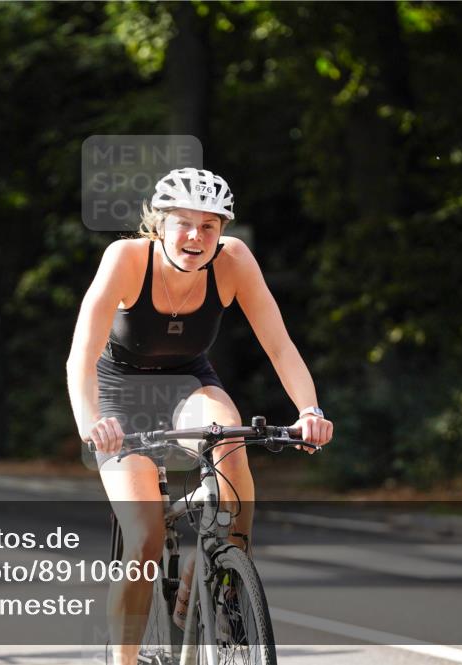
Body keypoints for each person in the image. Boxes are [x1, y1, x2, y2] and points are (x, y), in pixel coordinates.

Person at [66, 168, 334, 665]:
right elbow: (81, 354)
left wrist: (309, 409)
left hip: (190, 383)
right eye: (183, 223)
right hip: (121, 395)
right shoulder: (125, 259)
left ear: (223, 230)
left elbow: (279, 345)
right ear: (158, 225)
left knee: (230, 450)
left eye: (209, 225)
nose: (196, 236)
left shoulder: (234, 262)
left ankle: (215, 570)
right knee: (144, 539)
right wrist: (92, 421)